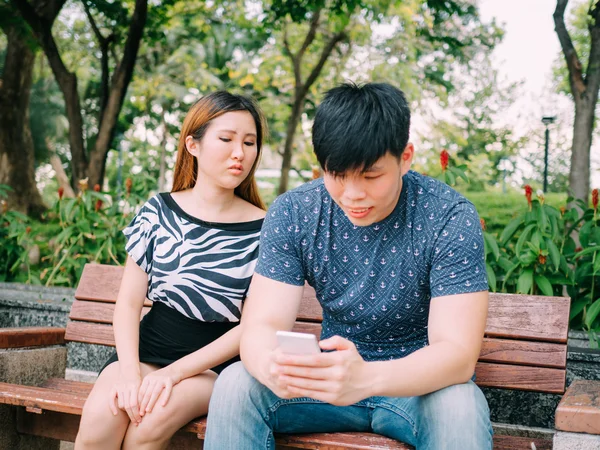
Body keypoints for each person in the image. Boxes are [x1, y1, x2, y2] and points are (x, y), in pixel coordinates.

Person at [204, 82, 492, 450]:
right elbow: (262, 324)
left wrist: (367, 378)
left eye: (371, 176)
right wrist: (270, 367)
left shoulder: (448, 216)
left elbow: (456, 354)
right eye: (337, 175)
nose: (353, 194)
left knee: (461, 405)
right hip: (327, 381)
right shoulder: (295, 212)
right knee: (235, 383)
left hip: (417, 387)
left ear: (406, 157)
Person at [75, 91, 267, 450]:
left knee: (148, 425)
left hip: (213, 366)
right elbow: (129, 305)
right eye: (226, 139)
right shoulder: (158, 211)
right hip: (147, 349)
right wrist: (130, 375)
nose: (239, 153)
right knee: (104, 415)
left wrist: (173, 374)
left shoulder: (265, 229)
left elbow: (253, 327)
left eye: (249, 142)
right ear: (192, 145)